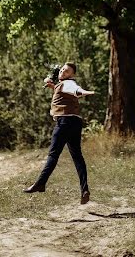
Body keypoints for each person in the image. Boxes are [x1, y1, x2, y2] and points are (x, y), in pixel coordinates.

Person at [23, 62, 94, 204]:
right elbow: (66, 94)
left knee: (53, 155)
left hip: (64, 123)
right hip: (75, 123)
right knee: (77, 157)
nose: (63, 72)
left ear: (72, 75)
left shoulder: (69, 84)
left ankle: (40, 183)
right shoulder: (61, 86)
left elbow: (76, 90)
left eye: (67, 71)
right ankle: (84, 189)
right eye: (62, 69)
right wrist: (53, 87)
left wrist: (87, 92)